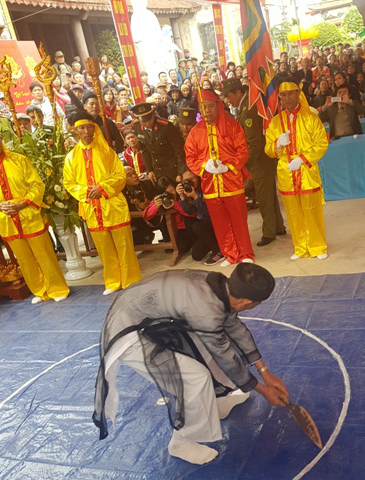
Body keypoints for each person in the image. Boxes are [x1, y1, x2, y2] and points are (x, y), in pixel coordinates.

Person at [92, 263, 289, 465]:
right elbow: (225, 356)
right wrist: (262, 389)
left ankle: (218, 401)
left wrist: (265, 372)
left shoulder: (223, 288)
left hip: (148, 318)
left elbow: (233, 326)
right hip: (128, 333)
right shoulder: (205, 308)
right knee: (194, 378)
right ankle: (181, 442)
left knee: (206, 351)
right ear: (247, 302)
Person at [0, 126, 69, 303]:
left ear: (1, 140)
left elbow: (37, 185)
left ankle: (57, 288)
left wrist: (23, 203)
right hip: (6, 219)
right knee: (24, 258)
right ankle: (40, 290)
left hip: (28, 213)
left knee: (44, 253)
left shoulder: (19, 160)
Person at [63, 112, 141, 294]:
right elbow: (69, 183)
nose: (86, 131)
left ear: (94, 129)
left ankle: (131, 280)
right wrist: (87, 192)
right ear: (76, 131)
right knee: (104, 248)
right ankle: (113, 281)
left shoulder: (107, 151)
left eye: (89, 127)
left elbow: (120, 176)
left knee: (124, 245)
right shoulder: (71, 158)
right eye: (82, 128)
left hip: (113, 204)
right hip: (91, 207)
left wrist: (102, 188)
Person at [185, 88, 254, 266]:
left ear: (218, 106)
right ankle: (230, 254)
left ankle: (245, 253)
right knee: (220, 223)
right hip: (210, 186)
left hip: (232, 183)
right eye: (203, 107)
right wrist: (204, 166)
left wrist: (228, 166)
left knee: (238, 220)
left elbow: (243, 151)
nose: (207, 111)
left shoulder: (232, 126)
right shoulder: (195, 132)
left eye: (210, 106)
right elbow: (190, 157)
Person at [265, 77, 329, 260]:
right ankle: (300, 247)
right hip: (286, 173)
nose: (287, 98)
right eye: (283, 95)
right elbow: (268, 150)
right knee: (293, 212)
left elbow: (321, 144)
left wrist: (302, 159)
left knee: (312, 209)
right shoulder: (275, 122)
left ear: (298, 93)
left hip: (307, 172)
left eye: (291, 94)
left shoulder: (310, 117)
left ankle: (318, 246)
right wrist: (278, 143)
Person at [222, 78, 286, 246]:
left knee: (264, 198)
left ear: (238, 92)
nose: (228, 100)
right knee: (269, 196)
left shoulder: (248, 110)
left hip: (259, 161)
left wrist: (244, 165)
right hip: (264, 159)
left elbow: (253, 143)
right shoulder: (247, 105)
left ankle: (269, 232)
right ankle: (278, 226)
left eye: (229, 96)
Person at [130, 102, 186, 184]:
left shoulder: (166, 126)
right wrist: (150, 170)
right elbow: (144, 150)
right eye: (144, 121)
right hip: (157, 171)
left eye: (149, 119)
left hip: (172, 170)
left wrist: (180, 172)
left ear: (153, 115)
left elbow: (179, 151)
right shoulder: (137, 127)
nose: (148, 123)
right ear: (138, 119)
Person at [122, 166, 159, 245]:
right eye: (129, 175)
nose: (134, 176)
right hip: (137, 222)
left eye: (134, 172)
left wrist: (149, 204)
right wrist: (137, 207)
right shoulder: (122, 193)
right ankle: (146, 237)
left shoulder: (147, 183)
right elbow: (124, 211)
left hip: (154, 217)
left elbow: (157, 197)